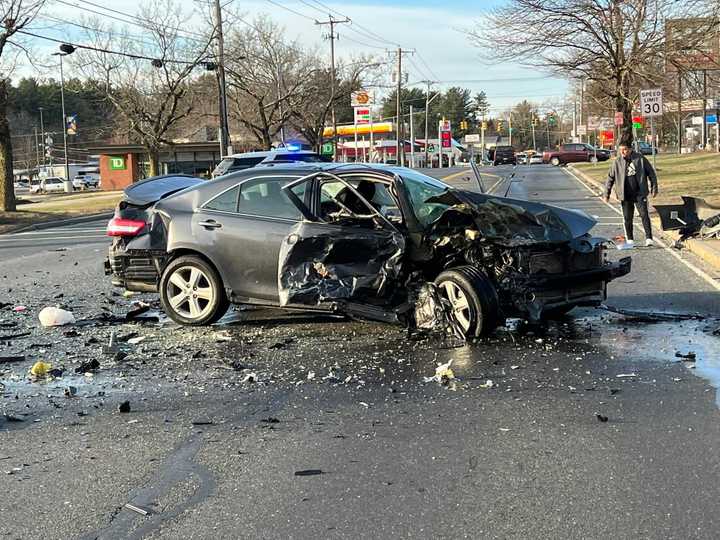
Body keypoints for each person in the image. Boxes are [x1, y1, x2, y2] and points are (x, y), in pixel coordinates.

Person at [603, 141, 658, 249]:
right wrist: (607, 194)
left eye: (625, 150)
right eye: (621, 150)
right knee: (628, 218)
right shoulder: (617, 162)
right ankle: (630, 239)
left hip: (639, 193)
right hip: (625, 194)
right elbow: (610, 178)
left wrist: (654, 188)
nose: (623, 152)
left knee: (644, 215)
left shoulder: (640, 159)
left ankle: (649, 238)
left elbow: (651, 173)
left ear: (630, 149)